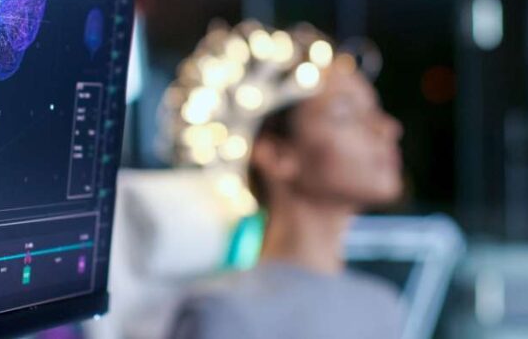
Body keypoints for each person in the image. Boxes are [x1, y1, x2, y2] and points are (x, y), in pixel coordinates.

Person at [169, 58, 407, 339]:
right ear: (276, 155)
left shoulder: (381, 306)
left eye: (375, 111)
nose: (388, 129)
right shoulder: (223, 312)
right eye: (345, 114)